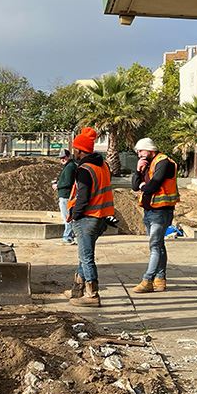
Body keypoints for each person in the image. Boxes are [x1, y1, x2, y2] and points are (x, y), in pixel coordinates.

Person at [64, 127, 114, 307]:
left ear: (80, 150)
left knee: (86, 258)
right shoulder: (103, 165)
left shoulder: (85, 169)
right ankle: (77, 289)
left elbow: (83, 197)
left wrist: (74, 215)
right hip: (100, 216)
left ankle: (92, 295)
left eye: (75, 149)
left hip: (87, 218)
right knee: (83, 255)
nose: (73, 153)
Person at [130, 137, 179, 293]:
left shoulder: (163, 162)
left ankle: (148, 280)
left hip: (161, 211)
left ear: (150, 150)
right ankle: (160, 279)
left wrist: (143, 186)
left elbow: (153, 185)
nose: (139, 155)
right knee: (158, 246)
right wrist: (138, 170)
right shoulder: (148, 163)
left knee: (155, 247)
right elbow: (134, 186)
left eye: (141, 151)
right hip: (149, 210)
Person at [54, 150, 77, 244]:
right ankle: (69, 236)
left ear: (68, 156)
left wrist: (58, 185)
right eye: (61, 158)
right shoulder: (69, 166)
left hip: (66, 195)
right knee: (68, 216)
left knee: (67, 217)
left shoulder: (70, 167)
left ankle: (68, 237)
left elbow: (68, 182)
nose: (62, 159)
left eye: (64, 157)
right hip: (67, 195)